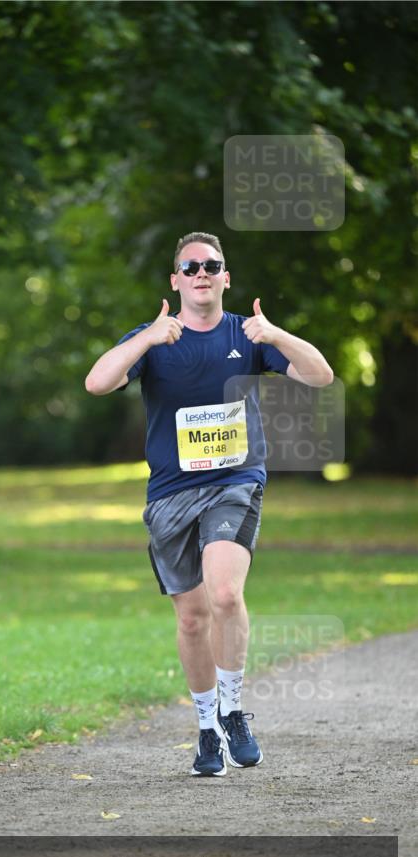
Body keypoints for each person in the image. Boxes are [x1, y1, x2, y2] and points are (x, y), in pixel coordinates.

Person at [85, 231, 333, 777]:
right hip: (171, 493)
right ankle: (205, 728)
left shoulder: (247, 335)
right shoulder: (156, 341)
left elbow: (321, 375)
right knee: (193, 619)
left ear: (225, 277)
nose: (201, 273)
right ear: (176, 280)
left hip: (235, 481)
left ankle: (234, 710)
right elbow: (97, 382)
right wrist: (147, 338)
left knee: (224, 593)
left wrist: (276, 334)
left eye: (211, 266)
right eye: (190, 267)